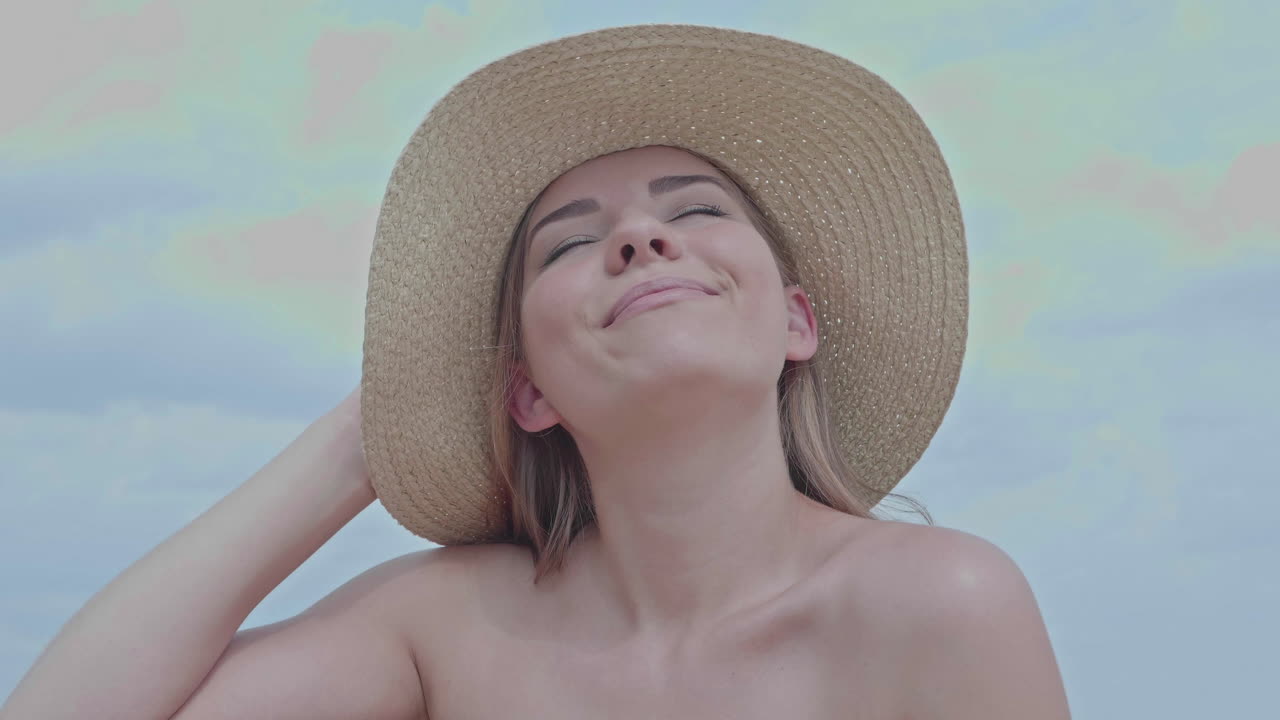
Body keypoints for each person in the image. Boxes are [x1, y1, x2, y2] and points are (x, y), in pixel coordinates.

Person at [3, 25, 1071, 719]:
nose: (644, 240)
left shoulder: (937, 602)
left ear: (795, 322)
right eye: (569, 244)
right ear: (530, 390)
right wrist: (362, 439)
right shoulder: (447, 626)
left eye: (695, 211)